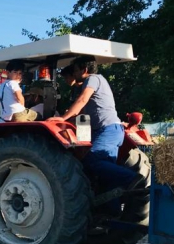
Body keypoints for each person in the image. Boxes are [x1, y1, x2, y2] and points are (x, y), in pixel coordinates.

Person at [48, 56, 143, 205]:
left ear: (84, 69)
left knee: (92, 161)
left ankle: (132, 178)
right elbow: (83, 115)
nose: (74, 74)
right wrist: (70, 121)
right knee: (107, 178)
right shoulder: (94, 82)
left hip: (108, 130)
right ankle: (112, 213)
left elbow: (82, 100)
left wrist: (62, 118)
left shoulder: (93, 79)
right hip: (109, 130)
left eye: (75, 70)